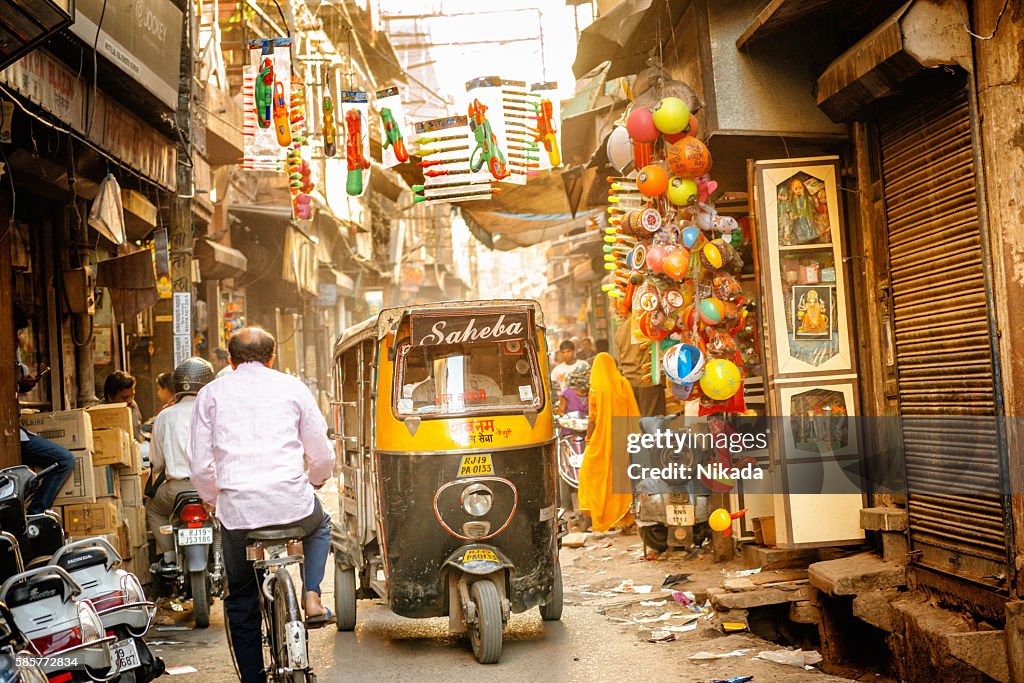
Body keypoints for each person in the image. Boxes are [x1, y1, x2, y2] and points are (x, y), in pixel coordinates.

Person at [188, 327, 335, 683]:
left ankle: (253, 678)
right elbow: (321, 453)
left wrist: (212, 500)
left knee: (241, 597)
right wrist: (315, 481)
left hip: (238, 513)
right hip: (293, 504)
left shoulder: (211, 394)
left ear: (229, 360)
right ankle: (312, 593)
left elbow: (198, 465)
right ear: (272, 358)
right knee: (321, 525)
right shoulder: (293, 387)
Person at [147, 358, 214, 571]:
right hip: (213, 486)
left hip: (176, 490)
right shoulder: (214, 411)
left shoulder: (165, 415)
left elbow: (156, 462)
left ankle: (169, 556)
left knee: (154, 510)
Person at [14, 306, 74, 514]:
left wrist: (24, 384)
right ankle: (36, 514)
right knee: (65, 459)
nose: (19, 337)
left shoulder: (14, 348)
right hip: (13, 435)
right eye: (18, 331)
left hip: (16, 431)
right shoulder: (8, 348)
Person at [578, 353, 638, 532]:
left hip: (602, 440)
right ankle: (626, 519)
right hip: (623, 437)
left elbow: (592, 418)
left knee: (592, 475)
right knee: (622, 476)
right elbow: (633, 410)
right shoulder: (623, 383)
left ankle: (603, 518)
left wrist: (588, 438)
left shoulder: (596, 388)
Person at [614, 315, 666, 417]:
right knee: (652, 424)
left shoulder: (621, 329)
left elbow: (619, 357)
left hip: (629, 381)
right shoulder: (647, 323)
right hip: (648, 381)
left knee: (637, 423)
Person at [103, 370, 143, 442]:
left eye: (132, 396)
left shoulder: (133, 406)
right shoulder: (98, 413)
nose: (130, 401)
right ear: (110, 397)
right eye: (125, 398)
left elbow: (137, 437)